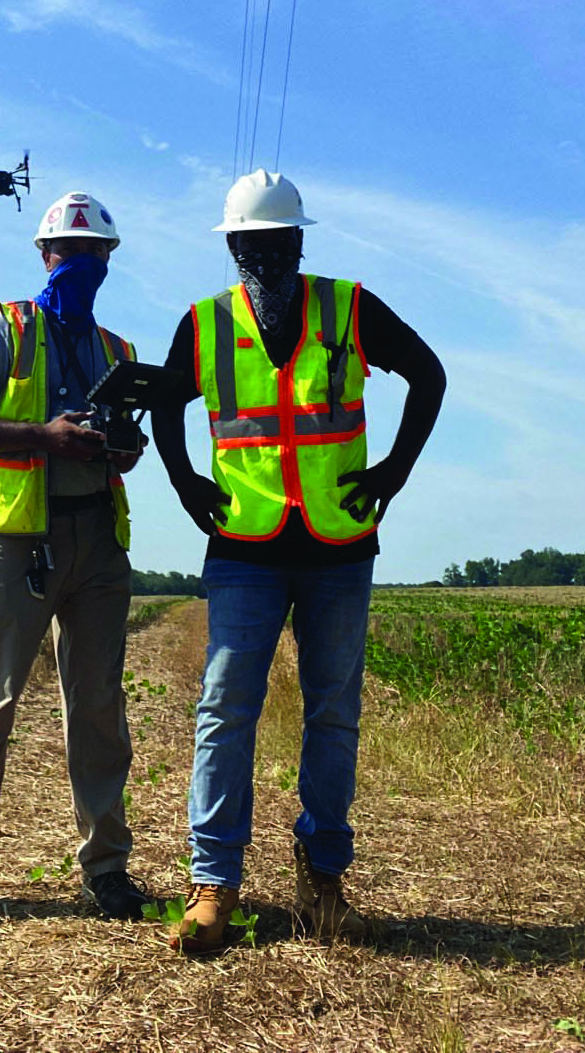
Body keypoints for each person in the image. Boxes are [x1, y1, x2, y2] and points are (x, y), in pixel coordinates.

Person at [152, 170, 444, 953]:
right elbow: (164, 401)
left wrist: (393, 473)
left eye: (278, 241)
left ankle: (323, 881)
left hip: (338, 546)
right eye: (251, 242)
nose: (266, 253)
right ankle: (214, 882)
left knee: (333, 714)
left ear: (299, 242)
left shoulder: (349, 307)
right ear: (235, 247)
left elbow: (430, 374)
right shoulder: (205, 323)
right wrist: (184, 483)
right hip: (245, 547)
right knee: (225, 711)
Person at [0, 190, 156, 924]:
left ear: (109, 260)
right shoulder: (7, 326)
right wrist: (44, 438)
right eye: (69, 251)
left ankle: (106, 868)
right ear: (43, 254)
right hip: (20, 536)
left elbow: (126, 450)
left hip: (98, 537)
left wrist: (125, 448)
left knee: (99, 708)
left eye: (94, 253)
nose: (81, 263)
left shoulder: (117, 351)